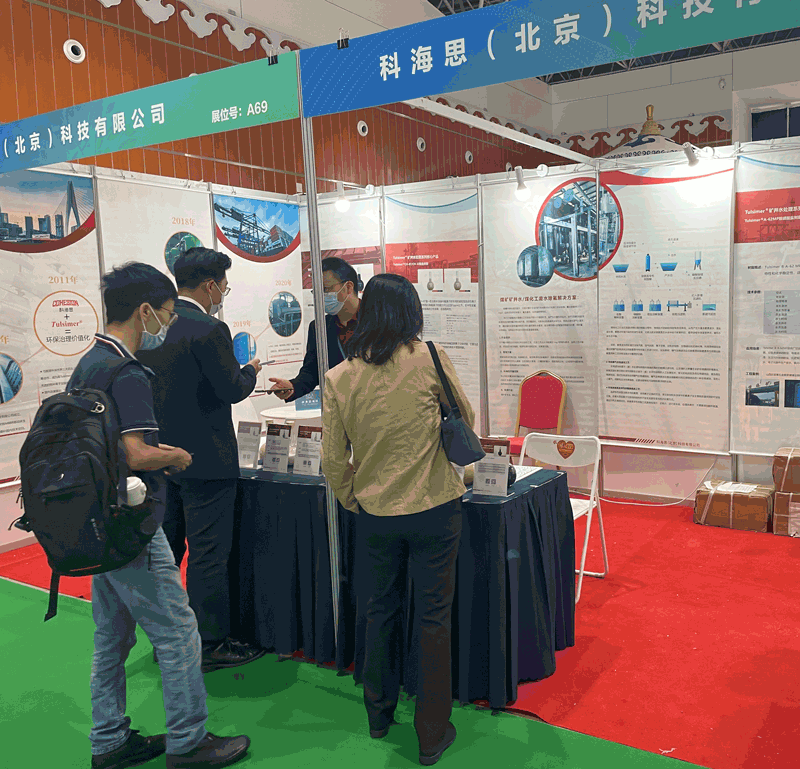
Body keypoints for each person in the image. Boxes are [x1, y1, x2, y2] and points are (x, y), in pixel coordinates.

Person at [68, 263, 250, 769]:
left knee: (111, 638)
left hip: (95, 520)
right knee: (178, 633)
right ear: (145, 311)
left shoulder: (89, 362)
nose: (167, 325)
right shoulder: (126, 372)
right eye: (165, 314)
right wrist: (174, 455)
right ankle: (189, 741)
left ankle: (108, 740)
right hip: (131, 522)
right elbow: (134, 453)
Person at [320, 273, 475, 767]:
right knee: (433, 618)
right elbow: (466, 419)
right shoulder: (429, 358)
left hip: (375, 514)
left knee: (379, 611)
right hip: (435, 508)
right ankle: (432, 732)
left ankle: (378, 714)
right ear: (412, 312)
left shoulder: (340, 377)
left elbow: (332, 460)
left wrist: (354, 499)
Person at [137, 247, 265, 674]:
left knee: (167, 552)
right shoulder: (210, 329)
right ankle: (210, 643)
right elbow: (231, 389)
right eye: (224, 285)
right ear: (211, 285)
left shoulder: (154, 328)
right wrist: (251, 370)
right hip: (207, 461)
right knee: (208, 555)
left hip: (161, 459)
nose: (224, 293)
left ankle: (168, 637)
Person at [268, 256, 359, 402]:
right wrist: (292, 387)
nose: (321, 296)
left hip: (375, 407)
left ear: (348, 287)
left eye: (325, 289)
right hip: (338, 407)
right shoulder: (319, 327)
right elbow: (311, 371)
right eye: (316, 291)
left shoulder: (377, 321)